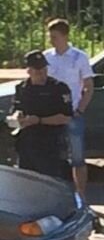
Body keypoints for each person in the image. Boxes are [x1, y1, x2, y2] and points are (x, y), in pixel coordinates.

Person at [44, 18, 94, 197]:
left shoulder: (79, 57)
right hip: (51, 114)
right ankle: (54, 194)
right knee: (53, 156)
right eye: (50, 36)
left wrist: (79, 109)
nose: (51, 40)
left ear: (65, 36)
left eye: (55, 37)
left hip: (72, 112)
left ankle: (81, 195)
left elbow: (88, 86)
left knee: (77, 157)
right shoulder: (46, 57)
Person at [9, 51, 73, 179]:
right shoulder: (22, 88)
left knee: (50, 183)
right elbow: (15, 111)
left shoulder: (58, 88)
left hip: (49, 145)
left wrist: (39, 120)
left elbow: (66, 117)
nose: (42, 73)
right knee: (27, 184)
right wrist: (17, 118)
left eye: (44, 69)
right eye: (37, 70)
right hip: (26, 146)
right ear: (29, 71)